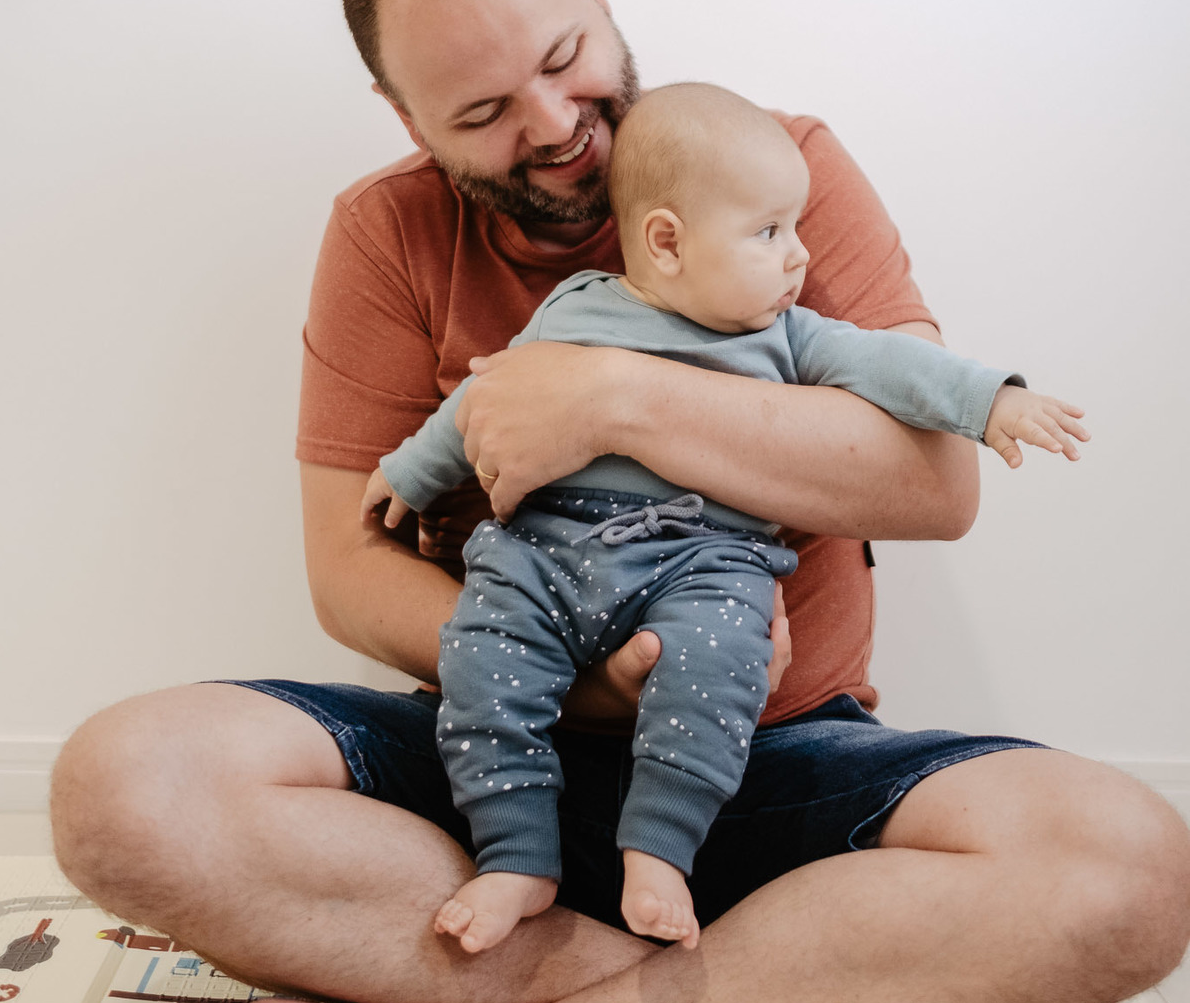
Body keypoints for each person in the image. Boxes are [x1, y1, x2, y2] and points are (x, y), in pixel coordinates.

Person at [49, 0, 1190, 1003]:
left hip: (773, 763)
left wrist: (606, 392)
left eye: (561, 59)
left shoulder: (774, 163)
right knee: (120, 786)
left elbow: (932, 487)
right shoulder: (384, 232)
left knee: (1128, 867)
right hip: (494, 753)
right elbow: (346, 567)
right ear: (404, 116)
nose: (553, 128)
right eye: (480, 114)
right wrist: (583, 686)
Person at [364, 83, 1088, 953]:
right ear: (666, 242)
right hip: (545, 549)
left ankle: (660, 848)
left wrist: (990, 402)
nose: (799, 257)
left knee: (719, 664)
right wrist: (409, 470)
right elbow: (487, 398)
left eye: (797, 228)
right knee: (481, 658)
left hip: (704, 559)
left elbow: (892, 365)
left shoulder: (790, 337)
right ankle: (516, 851)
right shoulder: (573, 311)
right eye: (770, 232)